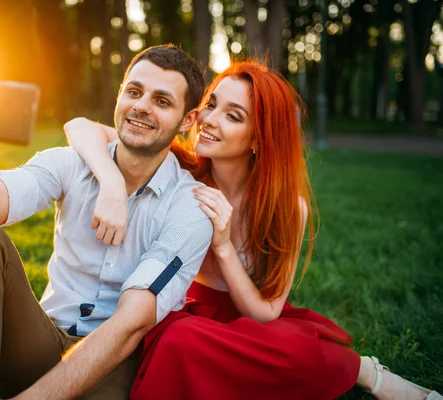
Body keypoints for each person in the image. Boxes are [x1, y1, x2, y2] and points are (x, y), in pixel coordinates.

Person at [64, 60, 442, 400]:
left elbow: (266, 314)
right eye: (211, 104)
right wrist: (111, 185)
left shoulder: (288, 208)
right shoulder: (178, 167)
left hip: (248, 320)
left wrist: (225, 246)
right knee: (180, 341)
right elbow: (79, 127)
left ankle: (363, 371)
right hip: (179, 311)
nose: (210, 119)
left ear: (259, 138)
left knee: (296, 351)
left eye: (233, 116)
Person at [0, 44, 214, 400]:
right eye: (134, 92)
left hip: (113, 362)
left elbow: (131, 324)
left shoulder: (190, 208)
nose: (142, 106)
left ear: (187, 120)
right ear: (120, 94)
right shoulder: (71, 163)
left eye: (162, 101)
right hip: (43, 338)